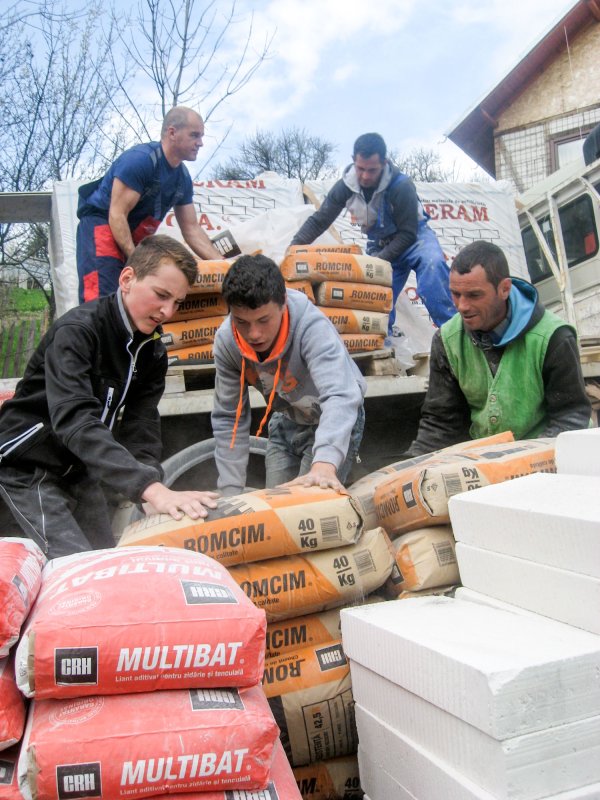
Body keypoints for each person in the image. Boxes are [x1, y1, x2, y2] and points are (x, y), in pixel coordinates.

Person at [0, 235, 218, 559]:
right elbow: (75, 420)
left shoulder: (152, 352)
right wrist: (150, 489)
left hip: (78, 470)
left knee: (108, 560)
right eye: (161, 295)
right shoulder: (78, 331)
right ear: (127, 279)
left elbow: (140, 426)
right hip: (27, 467)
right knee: (75, 566)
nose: (167, 311)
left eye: (177, 302)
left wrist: (148, 493)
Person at [406, 240, 591, 455]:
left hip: (549, 463)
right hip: (487, 465)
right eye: (456, 294)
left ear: (504, 289)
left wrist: (522, 465)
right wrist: (407, 468)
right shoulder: (447, 340)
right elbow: (441, 423)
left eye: (474, 295)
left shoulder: (553, 337)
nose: (462, 306)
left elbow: (570, 418)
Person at [211, 254, 367, 495]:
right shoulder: (227, 342)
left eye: (264, 320)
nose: (254, 334)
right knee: (275, 508)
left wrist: (324, 465)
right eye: (242, 322)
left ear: (282, 302)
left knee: (309, 506)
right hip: (287, 420)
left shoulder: (310, 326)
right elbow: (230, 419)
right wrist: (229, 492)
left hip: (333, 419)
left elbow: (340, 395)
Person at [289, 132, 455, 334]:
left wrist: (378, 263)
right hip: (380, 243)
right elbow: (320, 220)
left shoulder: (401, 186)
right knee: (376, 300)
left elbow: (408, 234)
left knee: (433, 267)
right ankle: (384, 348)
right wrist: (293, 248)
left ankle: (455, 334)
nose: (365, 176)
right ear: (353, 161)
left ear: (384, 163)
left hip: (415, 239)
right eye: (361, 169)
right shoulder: (345, 186)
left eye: (372, 170)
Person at [76, 106, 221, 304]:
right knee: (102, 298)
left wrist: (225, 265)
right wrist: (137, 258)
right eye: (194, 135)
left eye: (201, 136)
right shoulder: (140, 160)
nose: (200, 143)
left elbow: (192, 229)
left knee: (133, 301)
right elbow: (117, 215)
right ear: (172, 132)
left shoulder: (183, 178)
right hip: (102, 227)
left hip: (132, 236)